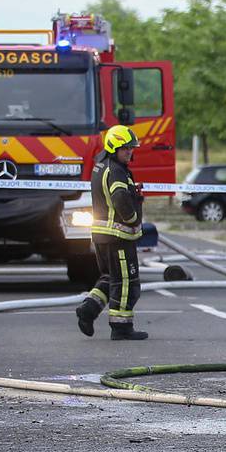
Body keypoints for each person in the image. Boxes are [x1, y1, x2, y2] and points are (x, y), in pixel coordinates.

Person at [75, 124, 146, 341]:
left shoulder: (101, 165)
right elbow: (120, 199)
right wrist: (133, 219)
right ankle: (121, 327)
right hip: (118, 236)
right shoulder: (116, 170)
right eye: (126, 149)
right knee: (127, 282)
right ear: (114, 147)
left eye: (131, 149)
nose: (130, 152)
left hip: (101, 235)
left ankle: (88, 310)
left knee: (110, 278)